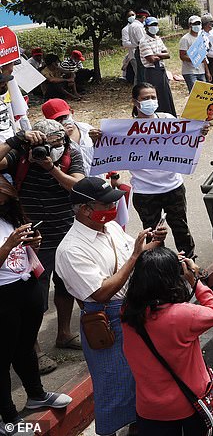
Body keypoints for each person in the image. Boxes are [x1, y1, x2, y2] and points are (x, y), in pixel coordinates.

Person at [56, 176, 167, 436]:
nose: (114, 208)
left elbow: (131, 256)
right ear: (85, 210)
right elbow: (102, 292)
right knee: (114, 386)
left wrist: (152, 244)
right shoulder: (71, 250)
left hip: (133, 313)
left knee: (141, 380)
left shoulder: (112, 228)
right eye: (105, 204)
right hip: (106, 322)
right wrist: (138, 254)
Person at [0, 119, 86, 372]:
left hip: (66, 231)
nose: (55, 147)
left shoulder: (72, 153)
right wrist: (17, 140)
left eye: (59, 142)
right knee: (36, 295)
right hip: (34, 238)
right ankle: (34, 350)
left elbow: (78, 186)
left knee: (66, 285)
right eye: (49, 144)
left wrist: (52, 169)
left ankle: (64, 333)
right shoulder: (22, 155)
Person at [121, 248, 213, 436]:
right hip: (191, 405)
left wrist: (157, 262)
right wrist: (195, 279)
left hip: (150, 409)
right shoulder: (183, 315)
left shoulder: (127, 312)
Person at [0, 175, 73, 430]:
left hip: (26, 284)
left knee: (24, 347)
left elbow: (24, 254)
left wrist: (34, 245)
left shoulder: (10, 215)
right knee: (3, 355)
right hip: (2, 295)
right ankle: (8, 417)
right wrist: (9, 244)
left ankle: (36, 395)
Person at [128, 84, 200, 260]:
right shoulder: (124, 131)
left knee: (181, 228)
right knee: (153, 235)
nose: (151, 101)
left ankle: (189, 264)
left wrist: (199, 131)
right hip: (145, 192)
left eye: (153, 97)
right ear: (135, 102)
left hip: (173, 186)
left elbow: (185, 138)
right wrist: (99, 138)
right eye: (145, 98)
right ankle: (160, 268)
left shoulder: (167, 119)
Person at [41, 99, 99, 175]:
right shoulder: (51, 139)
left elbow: (103, 154)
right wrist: (62, 136)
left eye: (65, 117)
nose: (63, 121)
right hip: (74, 183)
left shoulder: (87, 128)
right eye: (57, 120)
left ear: (71, 112)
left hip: (97, 179)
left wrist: (97, 141)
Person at [140, 17, 177, 116]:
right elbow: (151, 59)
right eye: (151, 25)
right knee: (157, 95)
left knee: (166, 95)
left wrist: (156, 54)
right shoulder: (144, 41)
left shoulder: (158, 38)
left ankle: (169, 116)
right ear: (146, 28)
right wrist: (160, 54)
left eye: (155, 25)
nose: (154, 27)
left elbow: (167, 54)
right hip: (152, 71)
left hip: (161, 70)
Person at [178, 15, 209, 93]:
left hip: (201, 71)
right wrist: (195, 59)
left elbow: (203, 56)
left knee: (203, 94)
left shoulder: (202, 38)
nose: (197, 26)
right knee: (195, 94)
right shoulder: (185, 39)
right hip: (190, 71)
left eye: (198, 23)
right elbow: (182, 56)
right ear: (190, 25)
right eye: (195, 24)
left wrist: (207, 71)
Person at [122, 10, 148, 84]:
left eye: (133, 15)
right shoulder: (131, 28)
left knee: (140, 75)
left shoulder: (134, 26)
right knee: (140, 76)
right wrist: (136, 44)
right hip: (135, 53)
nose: (131, 17)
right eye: (129, 16)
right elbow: (125, 43)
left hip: (138, 52)